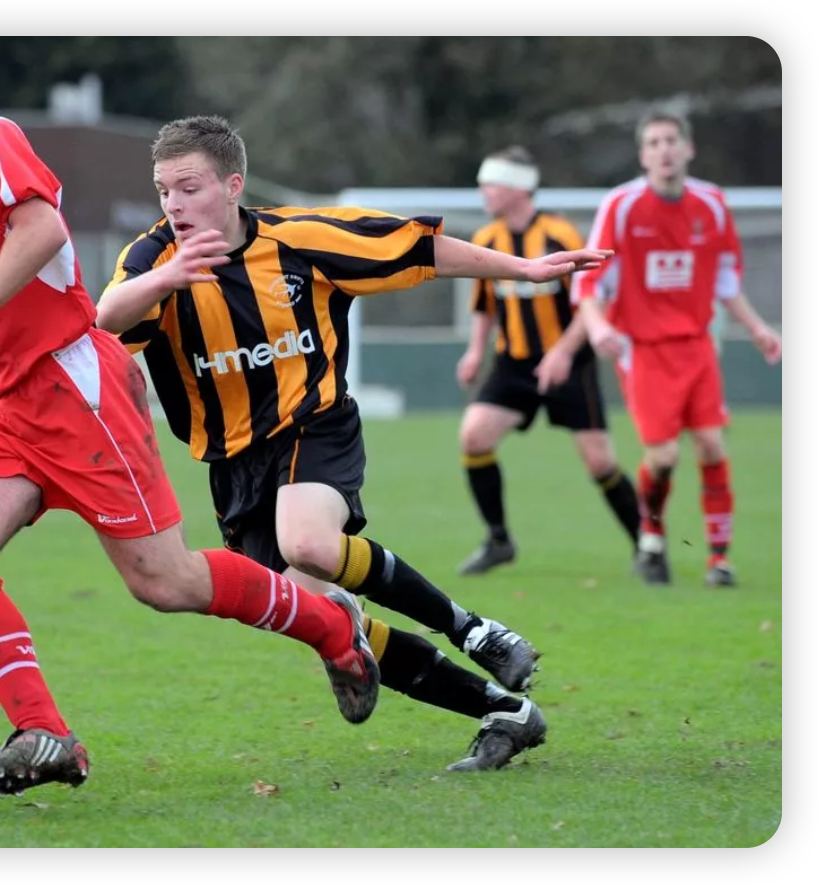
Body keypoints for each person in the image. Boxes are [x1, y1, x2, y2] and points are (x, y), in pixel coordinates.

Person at [0, 40, 386, 799]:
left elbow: (42, 231)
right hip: (1, 407)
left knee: (166, 582)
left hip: (75, 389)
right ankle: (44, 735)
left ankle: (334, 628)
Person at [95, 116, 610, 771]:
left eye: (188, 188)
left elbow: (420, 250)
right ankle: (504, 713)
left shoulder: (300, 237)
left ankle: (474, 630)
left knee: (307, 542)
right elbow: (105, 320)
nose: (173, 204)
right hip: (233, 464)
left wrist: (526, 270)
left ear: (232, 185)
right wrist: (162, 282)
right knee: (329, 620)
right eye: (163, 190)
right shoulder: (151, 260)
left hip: (315, 426)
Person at [567, 107, 782, 587]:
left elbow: (726, 279)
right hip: (643, 349)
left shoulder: (711, 204)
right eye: (655, 143)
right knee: (663, 458)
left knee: (711, 445)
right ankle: (651, 535)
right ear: (644, 155)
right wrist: (599, 326)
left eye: (672, 141)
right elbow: (588, 285)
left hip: (698, 344)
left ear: (689, 148)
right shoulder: (622, 207)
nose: (665, 150)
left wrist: (759, 328)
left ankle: (719, 560)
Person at [454, 146, 642, 576]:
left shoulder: (561, 234)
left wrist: (561, 352)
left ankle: (646, 544)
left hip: (570, 361)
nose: (484, 191)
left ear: (519, 188)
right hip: (513, 364)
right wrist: (475, 351)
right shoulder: (487, 240)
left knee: (599, 462)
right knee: (474, 438)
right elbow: (485, 304)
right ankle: (498, 540)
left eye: (492, 183)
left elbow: (592, 300)